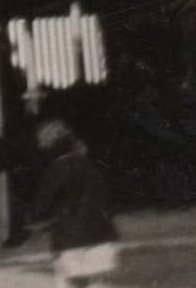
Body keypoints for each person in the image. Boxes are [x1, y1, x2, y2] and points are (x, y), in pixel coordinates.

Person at [33, 119, 119, 287]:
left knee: (68, 280)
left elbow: (44, 202)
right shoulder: (91, 167)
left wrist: (34, 221)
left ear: (49, 149)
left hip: (70, 236)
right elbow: (105, 198)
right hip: (101, 232)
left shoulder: (56, 169)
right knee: (92, 280)